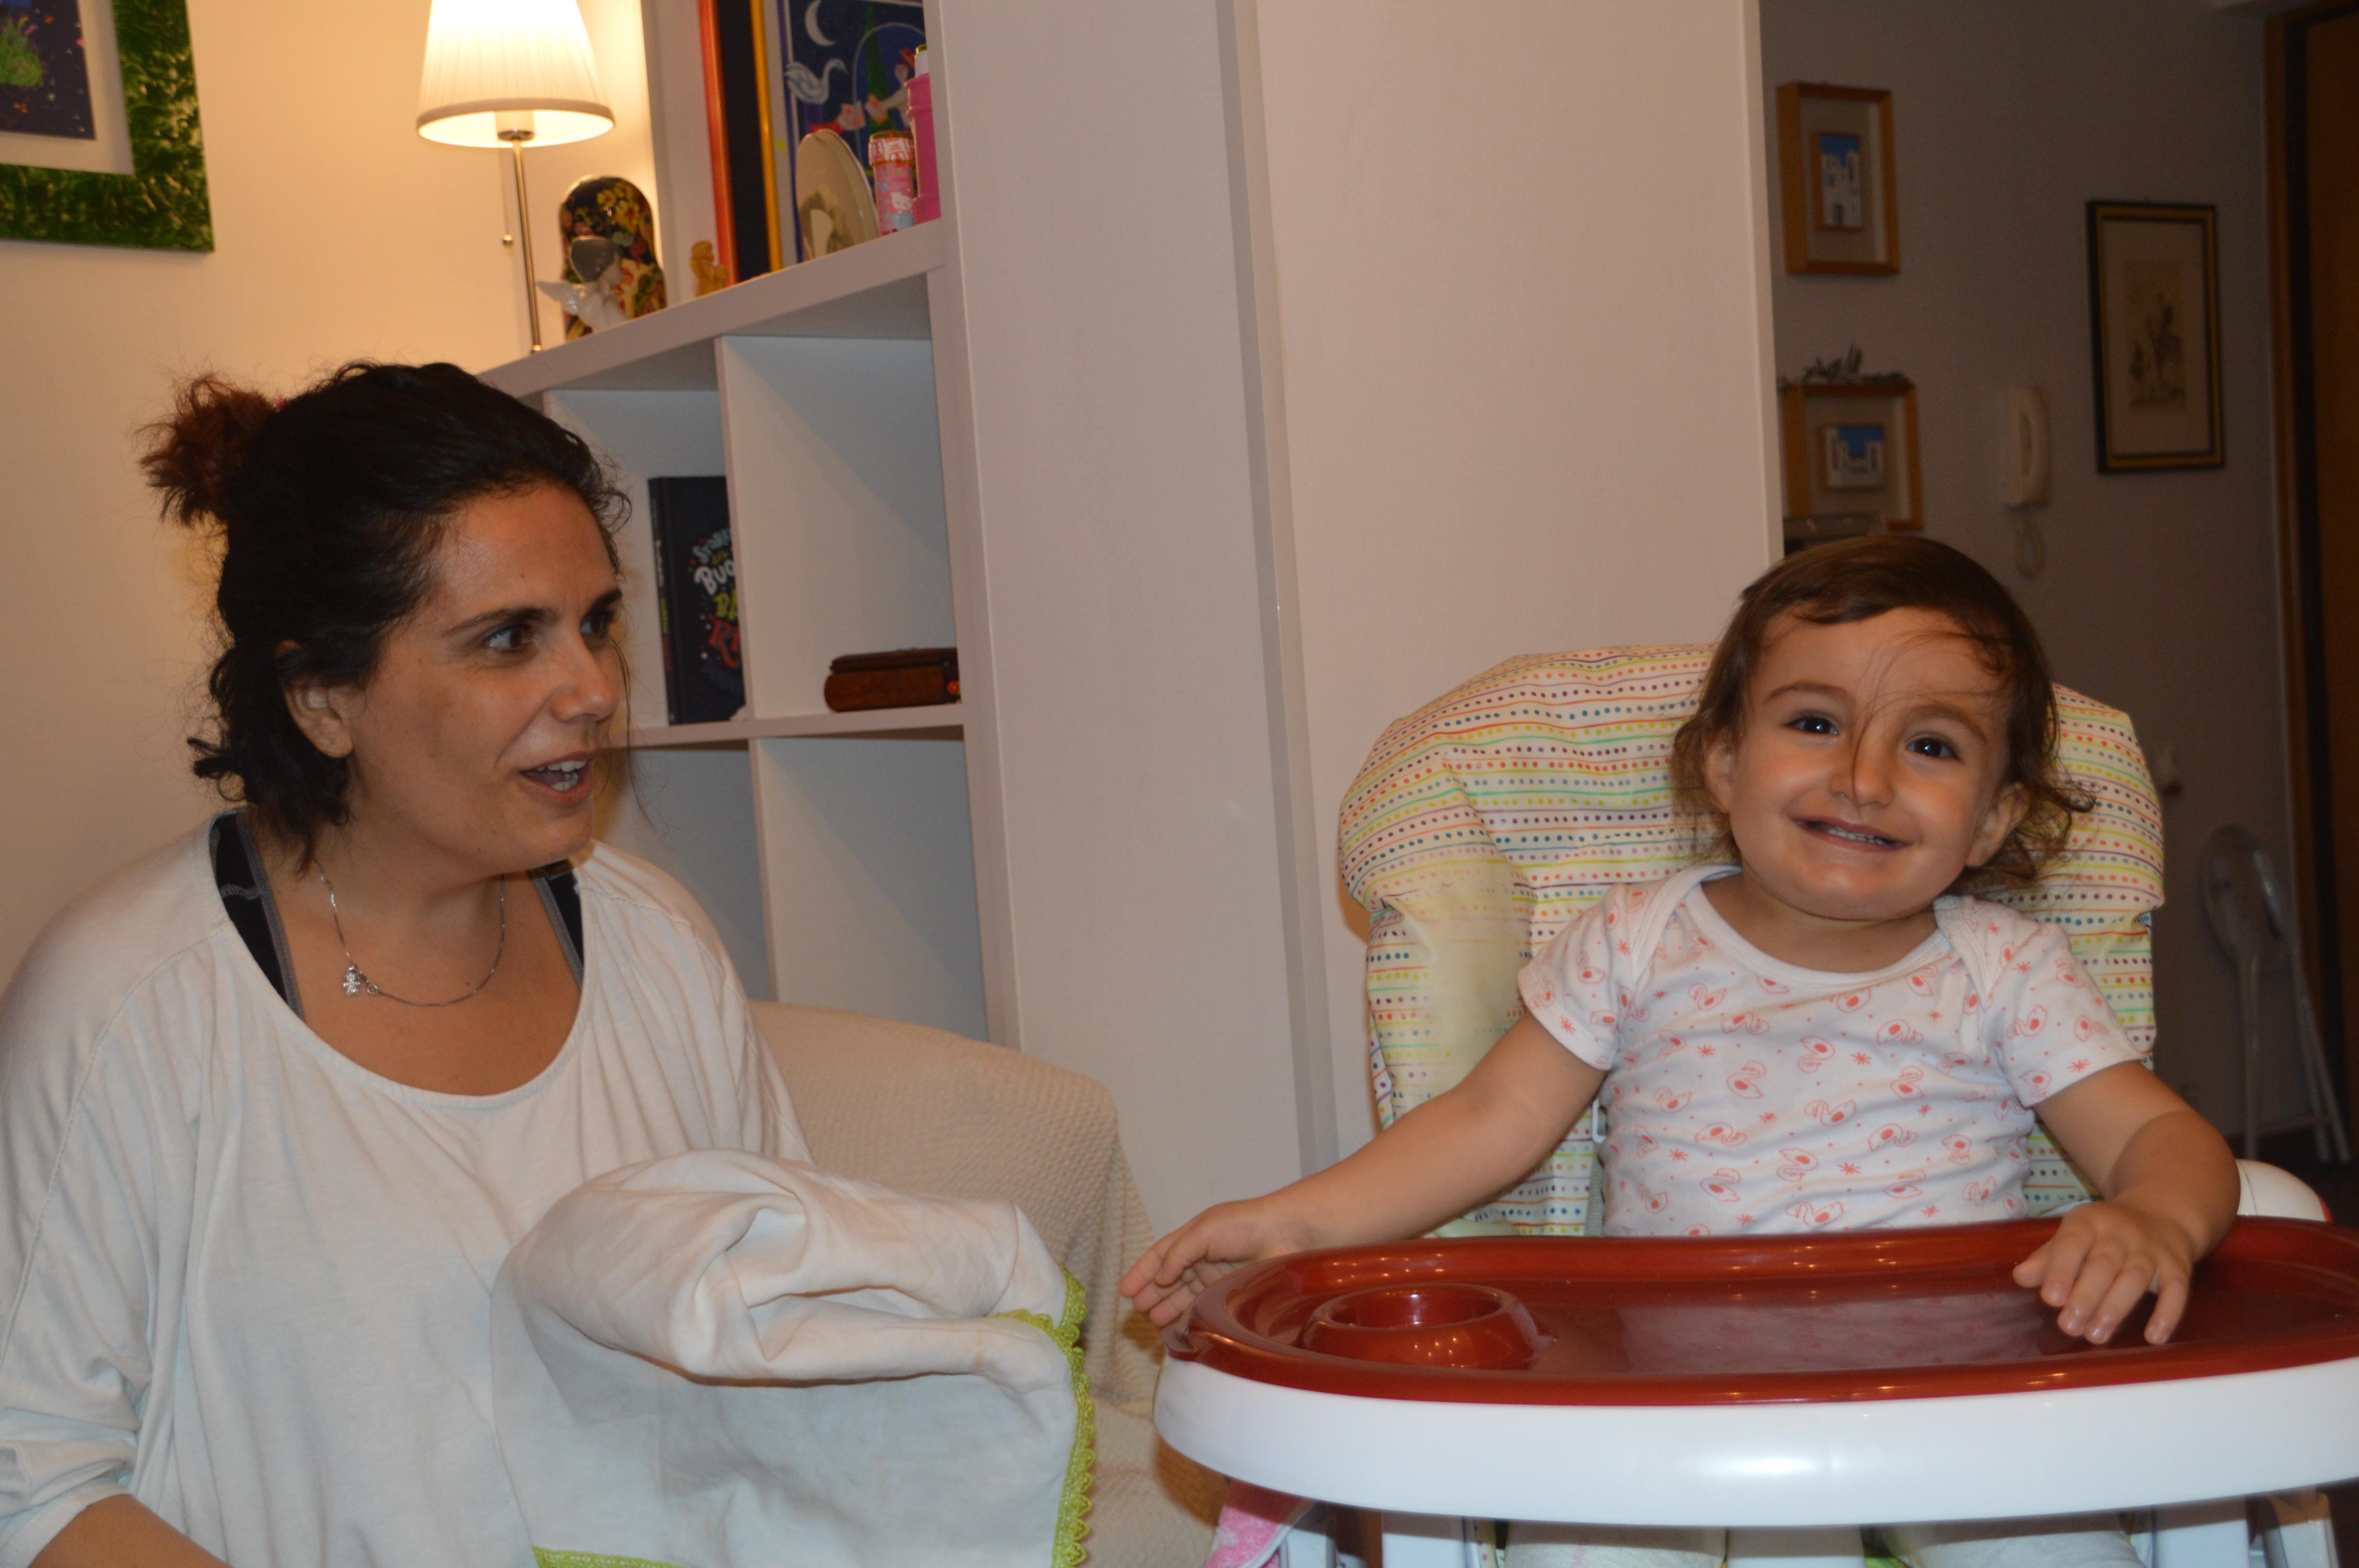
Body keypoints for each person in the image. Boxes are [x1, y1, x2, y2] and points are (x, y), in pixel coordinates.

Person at [1123, 536, 2240, 1568]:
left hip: (1956, 1399)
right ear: (1722, 761)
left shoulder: (2008, 968)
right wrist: (1293, 1226)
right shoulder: (1635, 941)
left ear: (1993, 818)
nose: (1864, 777)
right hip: (1665, 1396)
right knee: (1584, 1547)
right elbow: (1486, 1122)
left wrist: (2157, 1215)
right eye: (1815, 723)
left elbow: (2157, 1133)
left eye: (1932, 746)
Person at [0, 363, 806, 1568]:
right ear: (322, 697)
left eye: (595, 622)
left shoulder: (659, 946)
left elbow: (791, 1330)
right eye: (508, 640)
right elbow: (33, 1483)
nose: (593, 689)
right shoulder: (130, 1001)